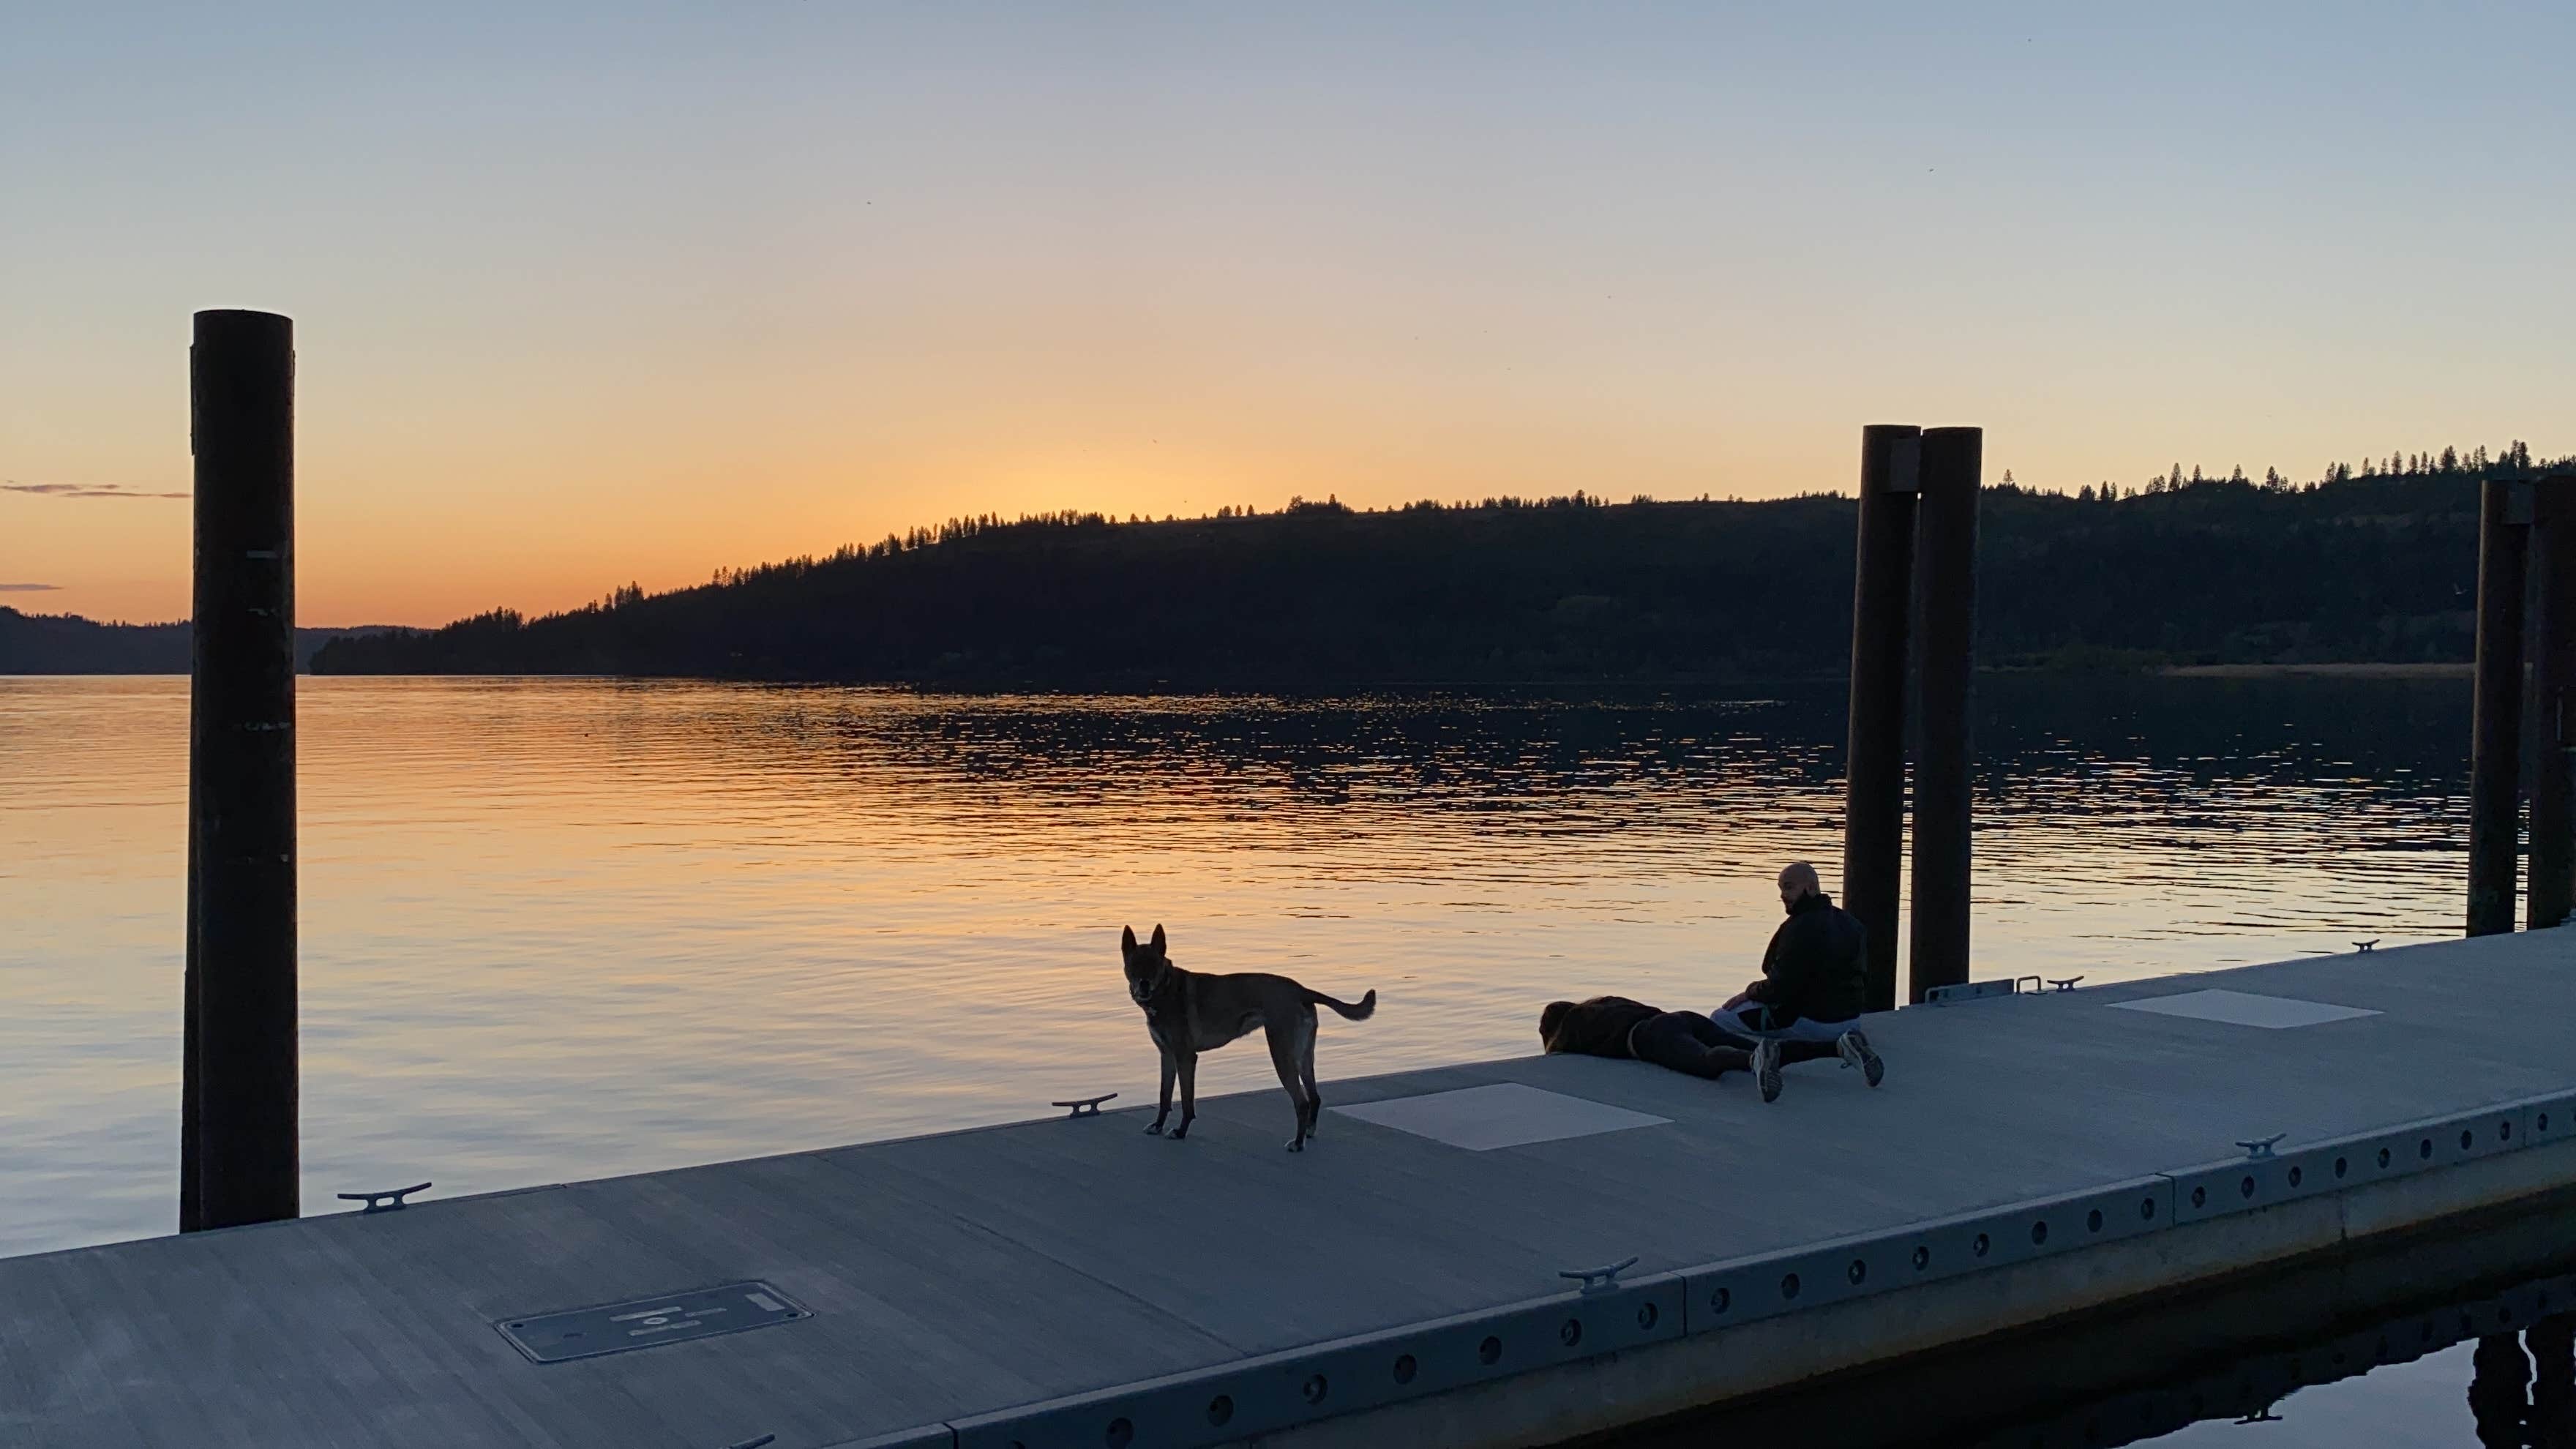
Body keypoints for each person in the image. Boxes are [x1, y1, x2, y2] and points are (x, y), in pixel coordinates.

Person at [1717, 861, 1886, 1104]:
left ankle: (1758, 1058)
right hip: (1851, 1019)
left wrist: (1749, 993)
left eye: (1789, 888)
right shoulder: (1851, 924)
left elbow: (1780, 989)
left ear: (1810, 888)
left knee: (1721, 1018)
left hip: (1813, 1020)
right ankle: (1845, 1045)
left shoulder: (1799, 929)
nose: (1783, 896)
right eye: (1781, 889)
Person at [1538, 995, 1753, 1082]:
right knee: (1742, 1042)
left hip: (1649, 1036)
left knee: (1705, 1063)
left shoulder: (1570, 1032)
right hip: (1677, 1018)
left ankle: (1751, 1061)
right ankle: (1777, 1052)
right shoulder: (1603, 1004)